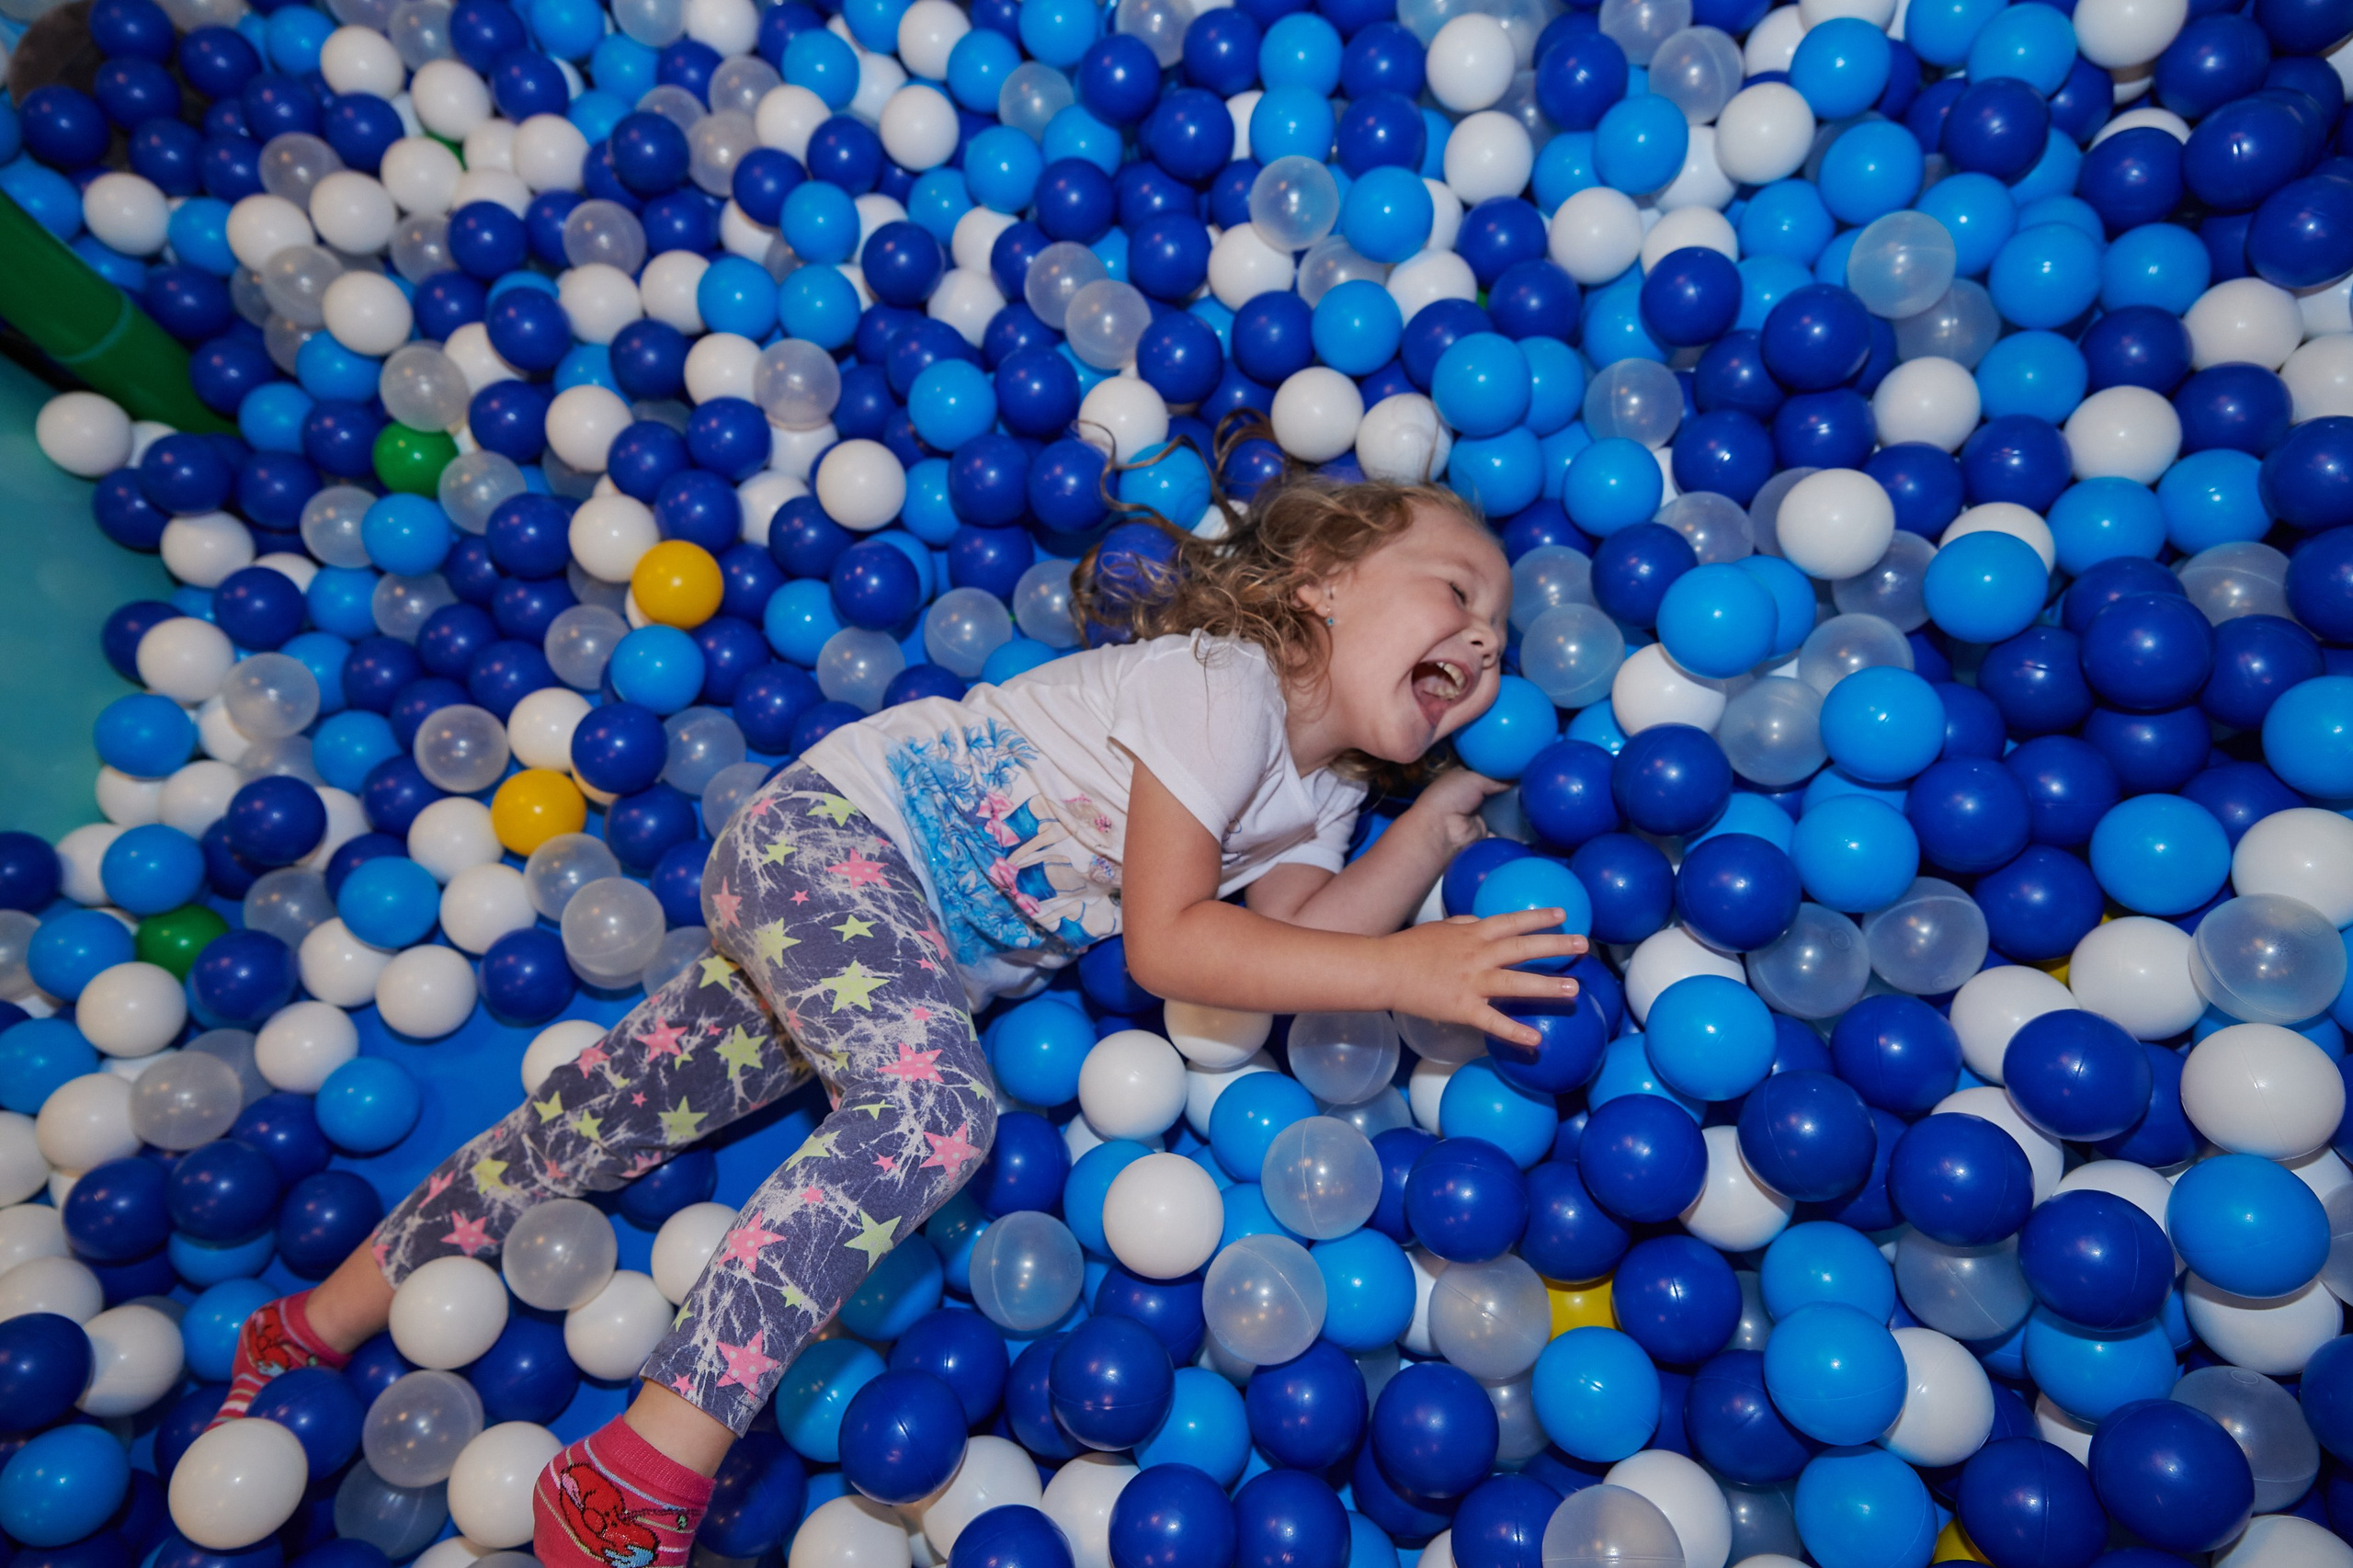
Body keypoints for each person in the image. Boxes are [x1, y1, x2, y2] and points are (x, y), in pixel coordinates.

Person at [210, 472, 1587, 1568]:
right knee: (933, 1113)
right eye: (1457, 587)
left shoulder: (1326, 797)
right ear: (1319, 579)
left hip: (883, 949)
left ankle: (310, 1326)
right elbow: (1179, 942)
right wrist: (1414, 973)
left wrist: (1422, 847)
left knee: (602, 1111)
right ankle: (633, 1472)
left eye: (1500, 635)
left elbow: (1289, 954)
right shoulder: (1220, 682)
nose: (1482, 635)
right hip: (832, 840)